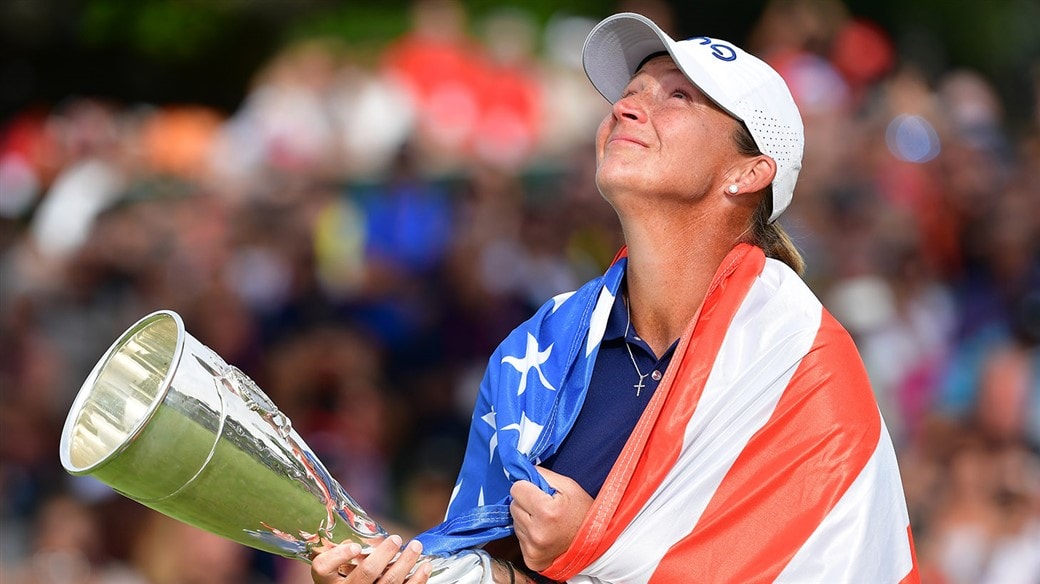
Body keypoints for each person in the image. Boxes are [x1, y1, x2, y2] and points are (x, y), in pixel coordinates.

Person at [311, 12, 920, 584]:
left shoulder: (800, 362)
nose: (628, 106)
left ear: (749, 173)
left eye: (677, 96)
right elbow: (498, 568)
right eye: (631, 90)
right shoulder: (535, 353)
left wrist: (599, 542)